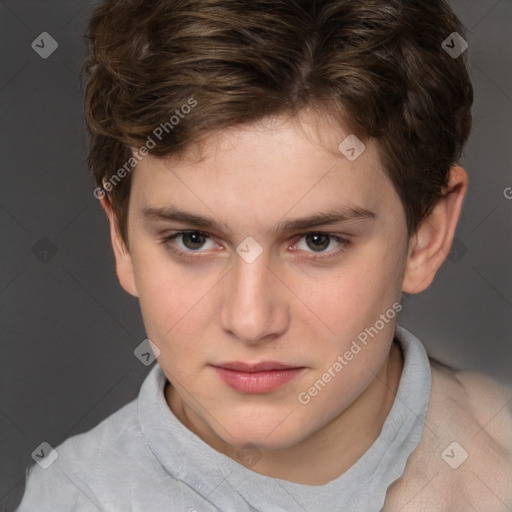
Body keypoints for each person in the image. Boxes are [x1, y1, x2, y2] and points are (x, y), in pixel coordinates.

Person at [16, 0, 512, 510]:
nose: (251, 321)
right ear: (121, 239)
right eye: (193, 239)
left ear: (426, 236)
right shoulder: (72, 497)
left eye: (318, 241)